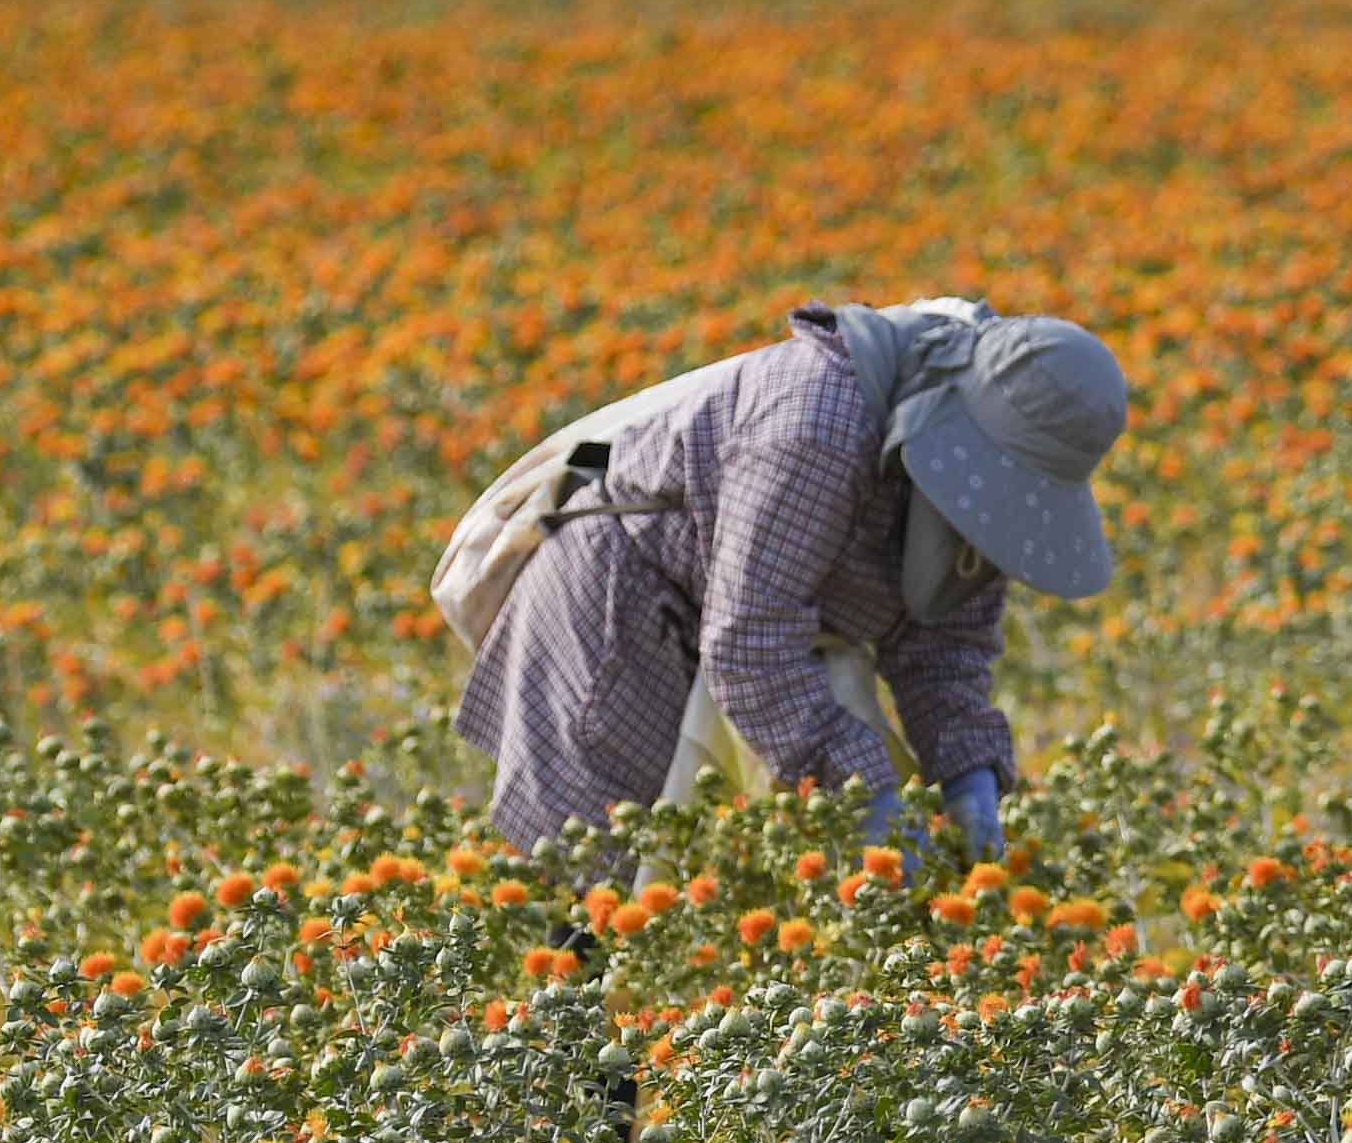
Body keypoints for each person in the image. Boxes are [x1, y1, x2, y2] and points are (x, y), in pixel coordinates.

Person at [465, 299, 1121, 854]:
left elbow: (942, 639)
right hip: (620, 602)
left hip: (732, 634)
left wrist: (967, 772)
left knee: (709, 884)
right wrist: (870, 796)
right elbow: (752, 643)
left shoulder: (975, 480)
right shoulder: (818, 427)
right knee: (594, 871)